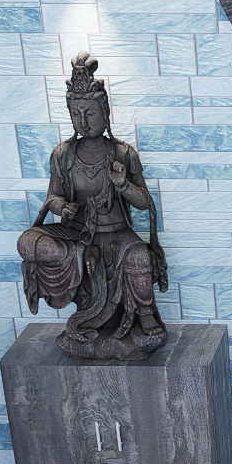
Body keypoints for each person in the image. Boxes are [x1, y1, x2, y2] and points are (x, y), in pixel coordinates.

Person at [17, 51, 169, 360]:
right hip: (77, 235)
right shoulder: (62, 154)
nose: (84, 122)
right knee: (27, 242)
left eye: (90, 113)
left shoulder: (122, 153)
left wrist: (123, 185)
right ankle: (81, 256)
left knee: (139, 255)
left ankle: (145, 313)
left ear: (105, 112)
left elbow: (145, 203)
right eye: (76, 114)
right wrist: (63, 208)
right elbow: (52, 197)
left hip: (117, 233)